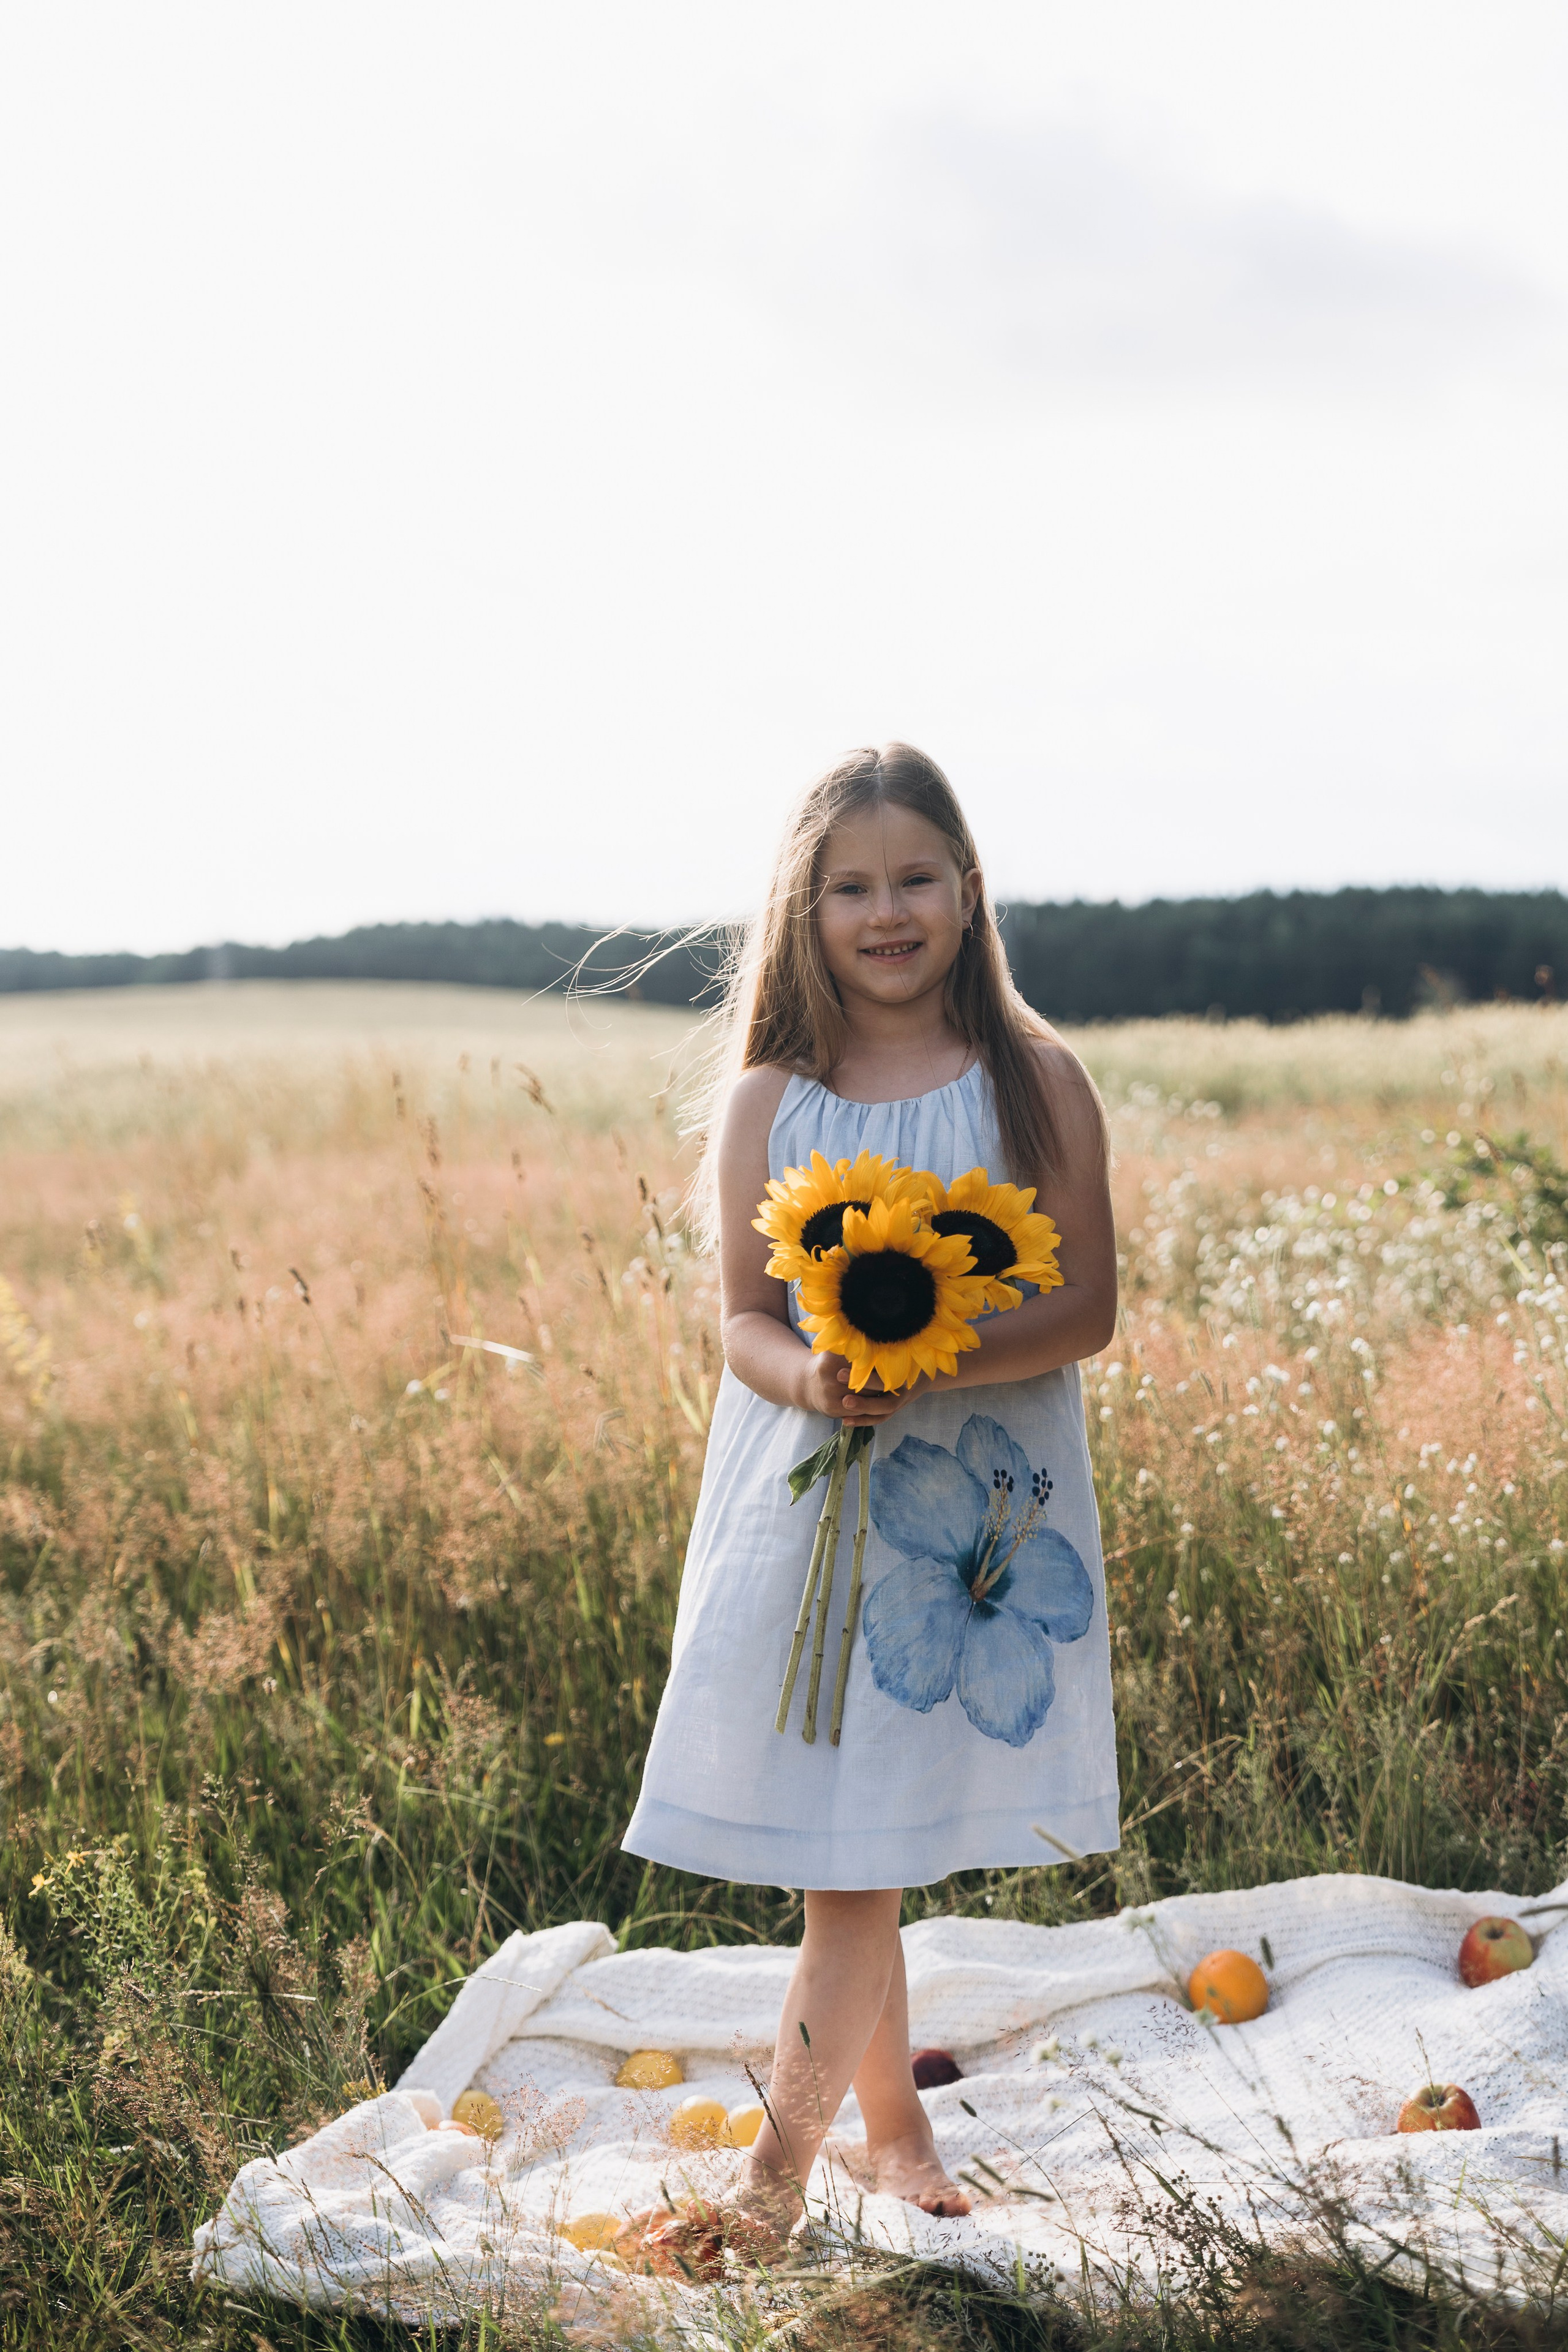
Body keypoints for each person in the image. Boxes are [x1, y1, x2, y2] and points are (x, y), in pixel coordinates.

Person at [622, 742, 1120, 2231]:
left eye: (914, 880)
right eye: (850, 886)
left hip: (971, 1511)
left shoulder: (1033, 1081)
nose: (884, 911)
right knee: (857, 1844)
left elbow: (1085, 1305)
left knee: (861, 1852)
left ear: (967, 896)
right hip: (806, 1505)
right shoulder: (771, 1100)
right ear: (803, 907)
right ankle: (884, 2126)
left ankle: (765, 2192)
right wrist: (821, 1379)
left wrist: (932, 1360)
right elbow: (740, 1320)